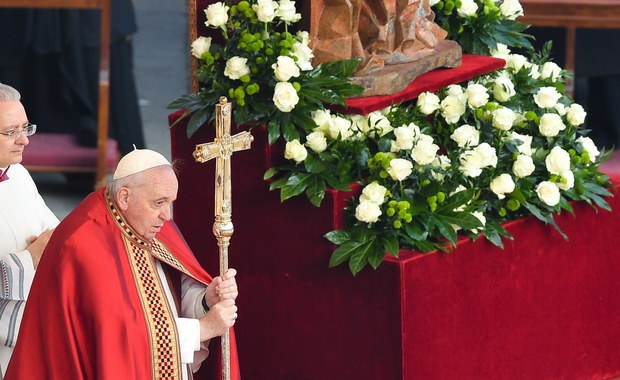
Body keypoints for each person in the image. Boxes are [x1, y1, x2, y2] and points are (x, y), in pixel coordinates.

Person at [5, 148, 240, 380]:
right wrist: (202, 330)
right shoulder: (83, 243)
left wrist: (205, 301)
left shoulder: (149, 222)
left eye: (170, 203)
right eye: (158, 203)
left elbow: (171, 293)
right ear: (124, 197)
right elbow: (118, 338)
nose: (166, 216)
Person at [0, 83, 59, 376]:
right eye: (11, 132)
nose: (24, 140)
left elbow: (54, 233)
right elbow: (39, 248)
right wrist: (29, 259)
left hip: (33, 329)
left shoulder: (18, 174)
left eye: (26, 128)